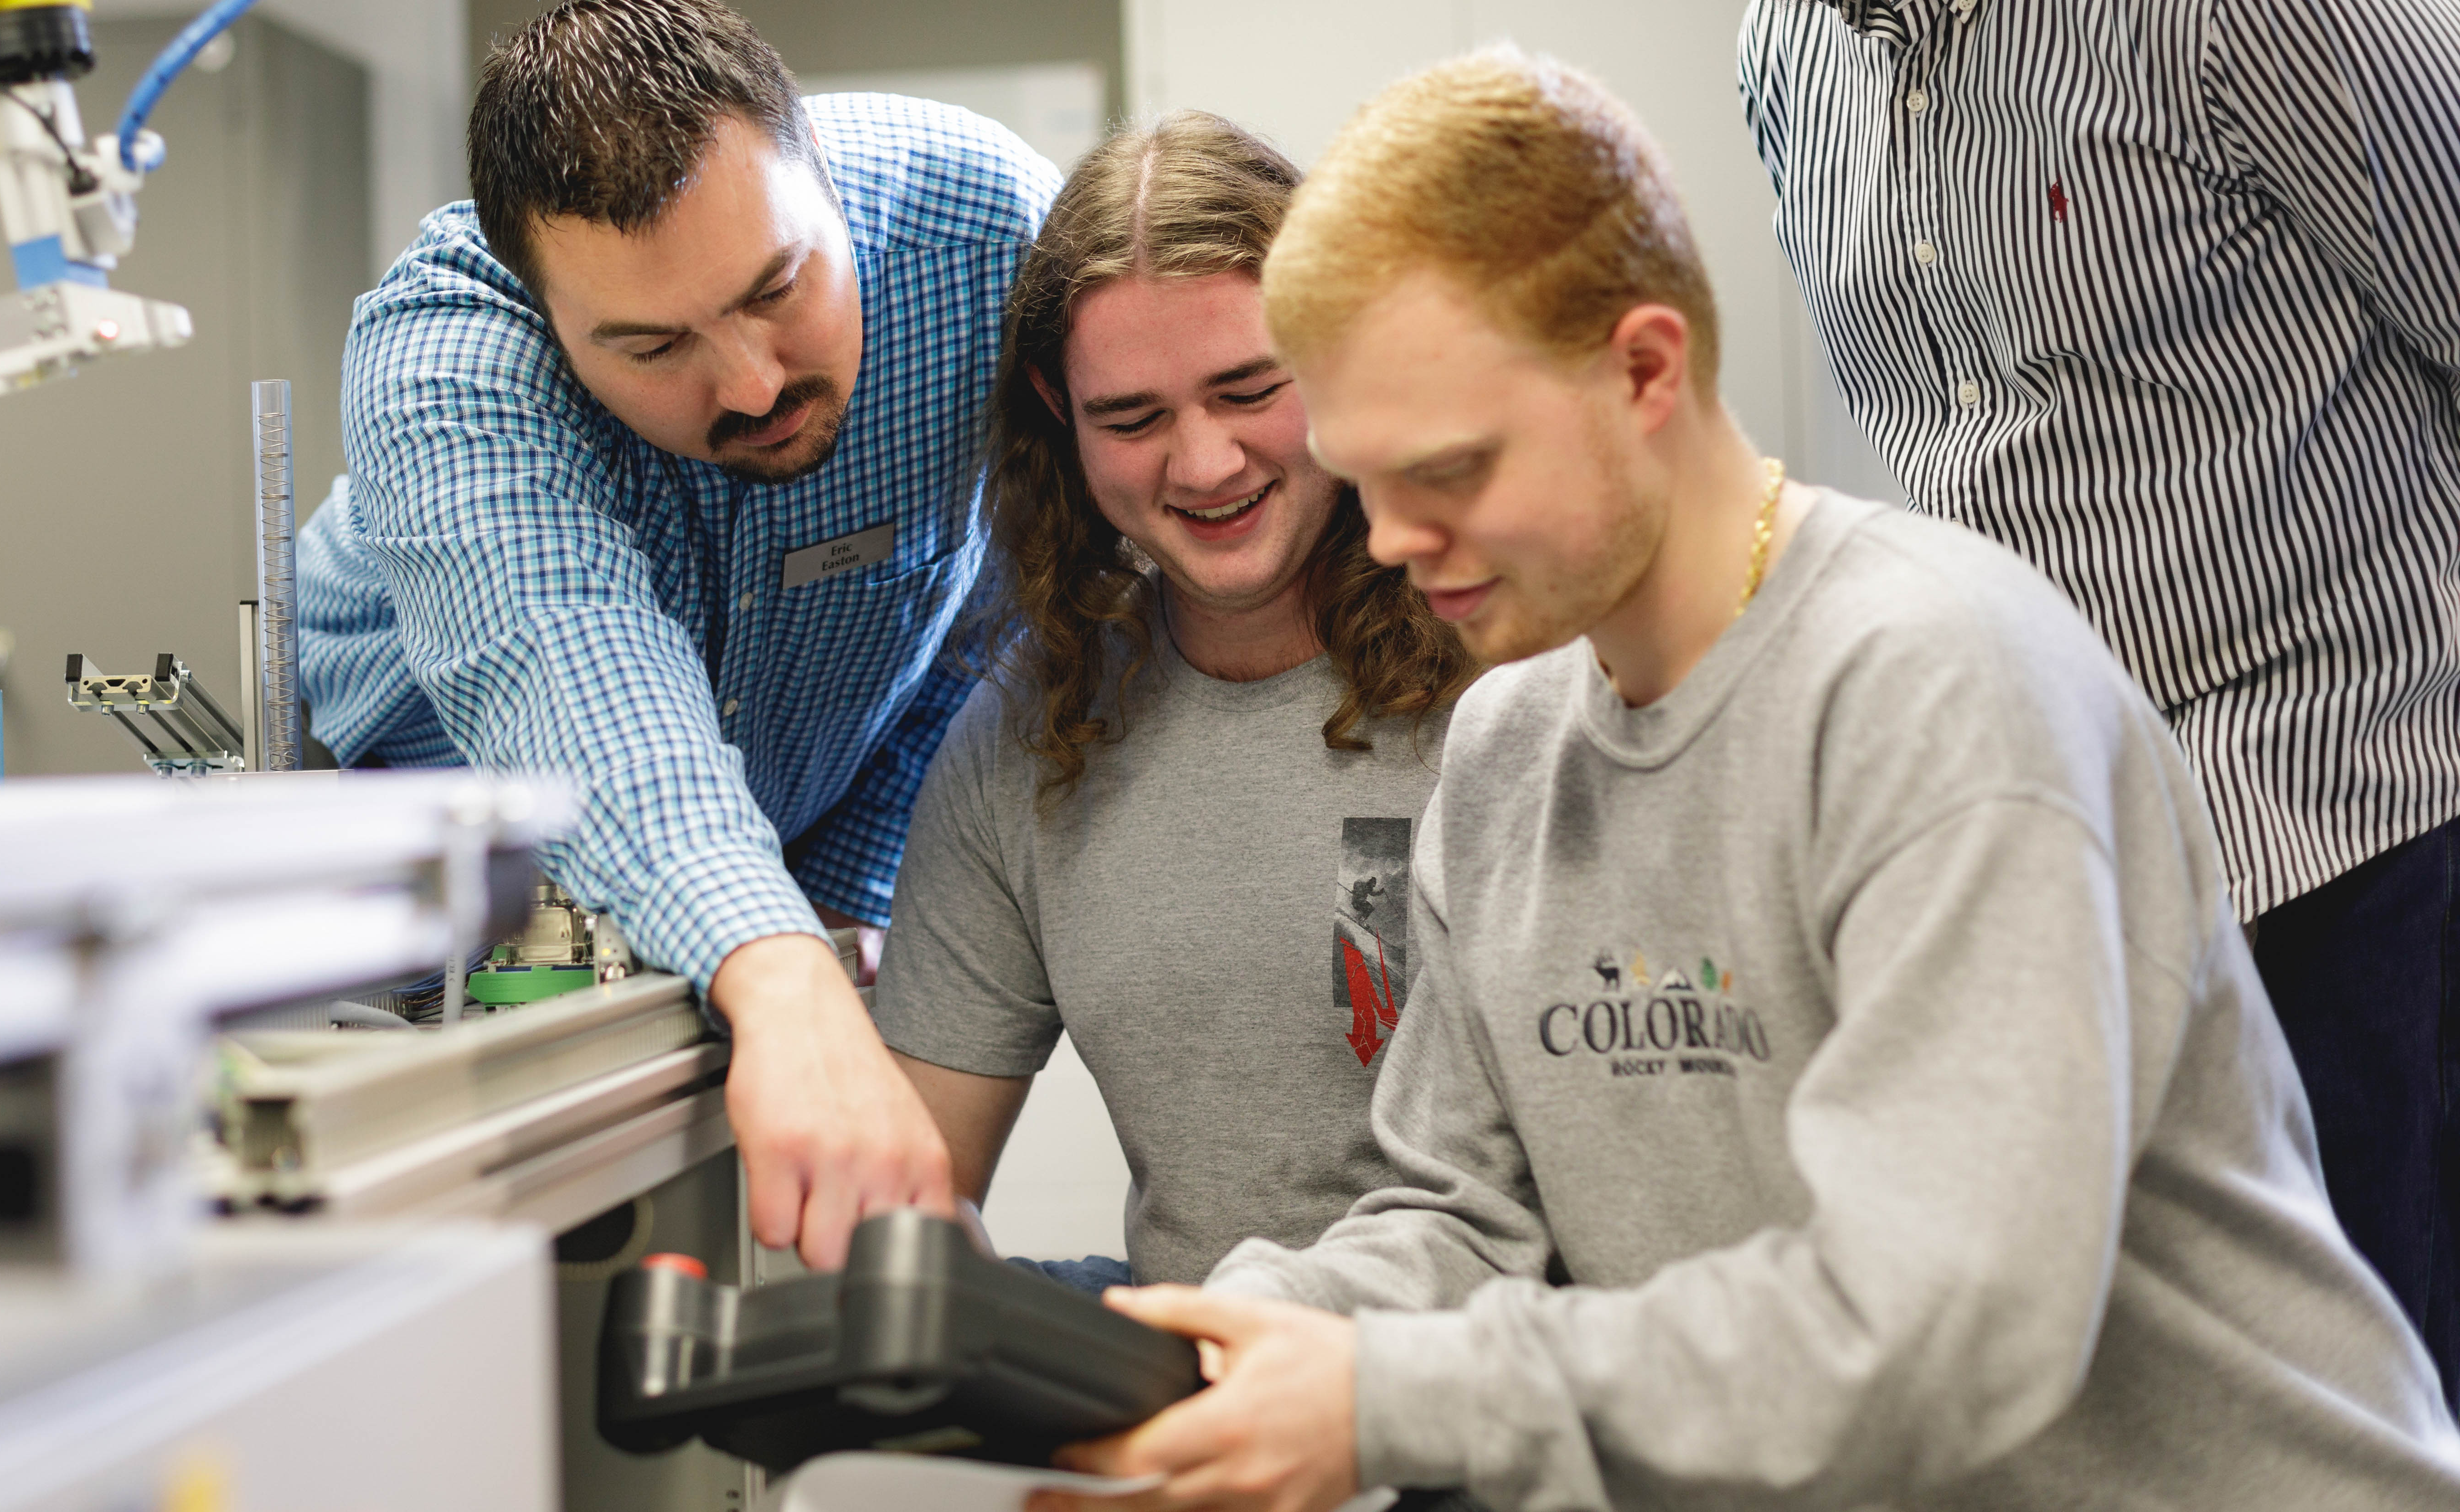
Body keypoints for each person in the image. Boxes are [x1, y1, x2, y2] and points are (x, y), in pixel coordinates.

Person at [1037, 49, 2460, 1512]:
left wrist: (1389, 1401)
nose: (1391, 539)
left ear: (1643, 368)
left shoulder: (1939, 686)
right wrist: (1246, 1339)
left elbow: (1939, 1330)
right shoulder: (1508, 745)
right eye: (1368, 474)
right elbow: (1460, 1217)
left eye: (1450, 471)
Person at [1741, 0, 2460, 1402]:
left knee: (2380, 1413)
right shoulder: (1785, 50)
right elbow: (1935, 449)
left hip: (2359, 822)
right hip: (2062, 859)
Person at [294, 0, 1061, 1268]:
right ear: (546, 311)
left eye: (779, 287)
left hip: (771, 837)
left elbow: (992, 616)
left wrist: (836, 911)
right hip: (453, 837)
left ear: (818, 168)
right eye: (651, 346)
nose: (753, 382)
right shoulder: (443, 361)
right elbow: (577, 684)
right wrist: (777, 971)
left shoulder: (984, 237)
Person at [871, 114, 1473, 1295]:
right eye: (1132, 419)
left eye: (1250, 390)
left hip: (1496, 1417)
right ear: (1061, 411)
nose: (1203, 466)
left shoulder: (1506, 664)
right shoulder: (1025, 740)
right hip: (1198, 1418)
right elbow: (907, 1194)